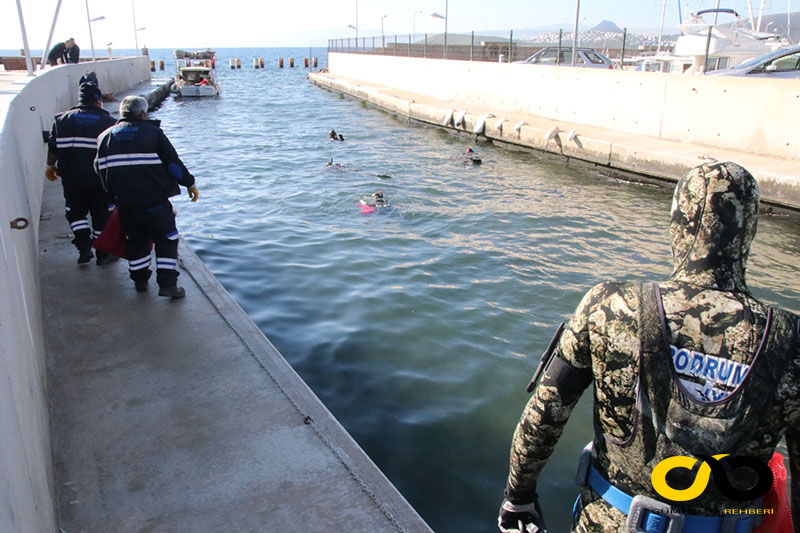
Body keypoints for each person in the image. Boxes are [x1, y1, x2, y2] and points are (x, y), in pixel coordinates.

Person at [499, 161, 800, 532]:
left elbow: (545, 414)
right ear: (749, 230)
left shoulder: (610, 306)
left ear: (677, 224)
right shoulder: (792, 340)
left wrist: (519, 495)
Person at [94, 96, 199, 299]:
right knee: (166, 239)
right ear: (142, 113)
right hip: (154, 202)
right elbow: (174, 166)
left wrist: (114, 193)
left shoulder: (104, 137)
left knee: (135, 241)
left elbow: (98, 168)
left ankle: (140, 282)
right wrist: (190, 183)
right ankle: (168, 285)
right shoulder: (153, 133)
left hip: (125, 204)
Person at [46, 74, 117, 265]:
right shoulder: (108, 123)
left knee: (76, 213)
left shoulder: (61, 120)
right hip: (99, 180)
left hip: (71, 178)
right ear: (98, 100)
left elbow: (53, 147)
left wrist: (50, 166)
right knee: (101, 214)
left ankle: (84, 247)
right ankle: (102, 253)